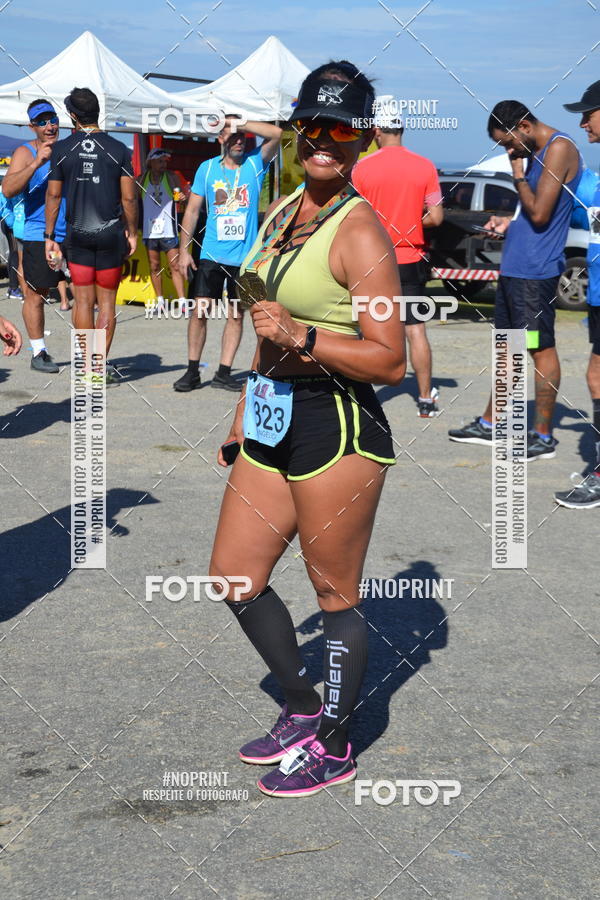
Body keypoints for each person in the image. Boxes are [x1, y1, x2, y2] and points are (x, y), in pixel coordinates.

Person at [209, 61, 405, 798]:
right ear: (295, 131)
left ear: (360, 139)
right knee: (234, 576)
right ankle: (300, 703)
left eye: (344, 130)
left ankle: (335, 743)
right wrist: (241, 415)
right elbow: (264, 321)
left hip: (340, 427)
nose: (326, 142)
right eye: (314, 126)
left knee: (335, 598)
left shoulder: (361, 232)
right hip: (272, 417)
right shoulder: (286, 206)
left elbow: (388, 361)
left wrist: (304, 338)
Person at [448, 100, 582, 460]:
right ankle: (492, 424)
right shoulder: (537, 151)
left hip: (534, 274)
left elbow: (540, 214)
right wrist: (507, 224)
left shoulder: (559, 148)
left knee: (539, 347)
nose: (508, 150)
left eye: (508, 142)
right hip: (515, 268)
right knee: (507, 349)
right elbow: (530, 215)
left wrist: (517, 173)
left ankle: (542, 435)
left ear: (524, 125)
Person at [174, 115, 282, 392]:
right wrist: (185, 251)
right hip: (211, 254)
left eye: (241, 136)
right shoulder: (207, 169)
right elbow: (193, 211)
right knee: (200, 311)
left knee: (235, 314)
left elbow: (277, 134)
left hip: (244, 258)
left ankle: (223, 372)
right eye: (231, 136)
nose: (238, 141)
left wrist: (241, 124)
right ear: (220, 139)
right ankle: (192, 370)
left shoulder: (255, 163)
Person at [353, 98, 443, 416]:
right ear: (403, 127)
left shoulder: (362, 168)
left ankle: (361, 398)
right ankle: (426, 398)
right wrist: (408, 221)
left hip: (371, 259)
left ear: (377, 129)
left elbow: (352, 215)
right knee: (415, 329)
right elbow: (437, 216)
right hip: (410, 257)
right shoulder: (425, 166)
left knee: (367, 328)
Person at [44, 88, 137, 381]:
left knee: (82, 301)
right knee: (107, 303)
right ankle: (96, 369)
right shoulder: (118, 148)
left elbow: (54, 196)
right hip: (110, 235)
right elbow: (129, 199)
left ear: (73, 115)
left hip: (78, 234)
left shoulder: (62, 149)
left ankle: (85, 366)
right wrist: (132, 232)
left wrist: (50, 236)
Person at [553, 81, 600, 508]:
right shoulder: (592, 179)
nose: (583, 121)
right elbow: (571, 190)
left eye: (589, 112)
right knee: (596, 377)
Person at [2, 99, 67, 373]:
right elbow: (8, 189)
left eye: (52, 120)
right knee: (36, 294)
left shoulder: (68, 149)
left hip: (74, 233)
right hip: (38, 235)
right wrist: (37, 163)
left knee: (89, 296)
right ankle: (39, 352)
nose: (49, 126)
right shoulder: (25, 152)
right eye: (42, 122)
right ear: (32, 127)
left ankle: (92, 356)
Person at [139, 148, 187, 307]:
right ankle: (160, 301)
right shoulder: (142, 179)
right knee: (154, 266)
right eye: (160, 161)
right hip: (149, 230)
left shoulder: (171, 177)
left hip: (168, 229)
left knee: (175, 264)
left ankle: (182, 301)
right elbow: (130, 200)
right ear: (150, 162)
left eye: (165, 161)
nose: (163, 164)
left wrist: (180, 198)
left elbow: (178, 197)